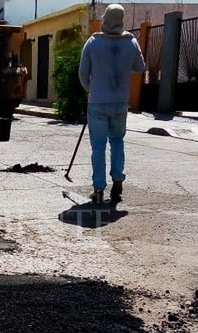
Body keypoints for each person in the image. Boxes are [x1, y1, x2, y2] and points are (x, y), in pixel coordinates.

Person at [78, 4, 145, 203]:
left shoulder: (93, 42)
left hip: (98, 101)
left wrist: (92, 90)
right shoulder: (131, 42)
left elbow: (82, 74)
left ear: (105, 18)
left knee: (98, 147)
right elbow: (140, 68)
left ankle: (98, 189)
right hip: (120, 102)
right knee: (117, 142)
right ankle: (118, 182)